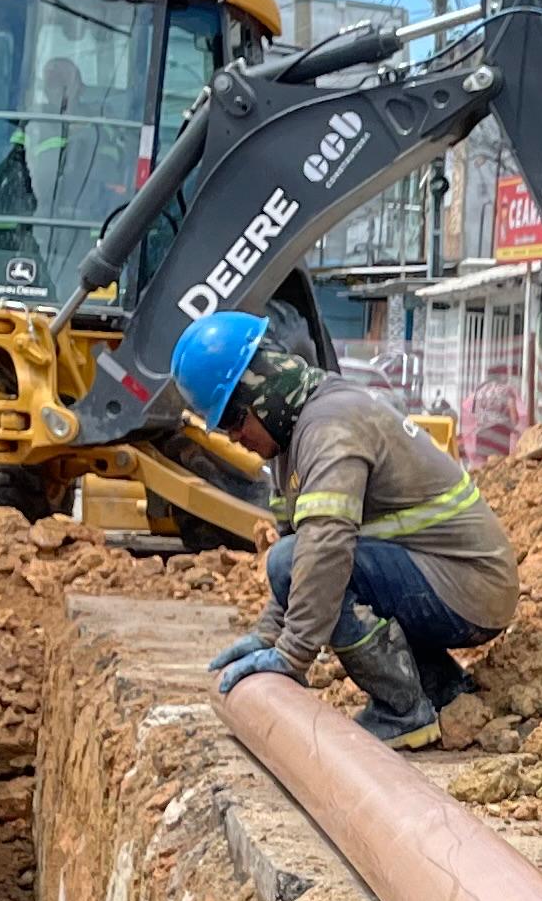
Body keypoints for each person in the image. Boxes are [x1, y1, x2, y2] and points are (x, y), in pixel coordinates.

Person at [176, 309, 516, 751]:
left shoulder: (329, 426)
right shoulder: (291, 437)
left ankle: (403, 711)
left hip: (470, 589)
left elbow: (324, 549)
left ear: (263, 393)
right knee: (293, 559)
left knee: (312, 563)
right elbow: (294, 548)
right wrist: (266, 634)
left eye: (234, 421)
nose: (234, 438)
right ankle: (441, 688)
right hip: (451, 581)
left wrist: (291, 655)